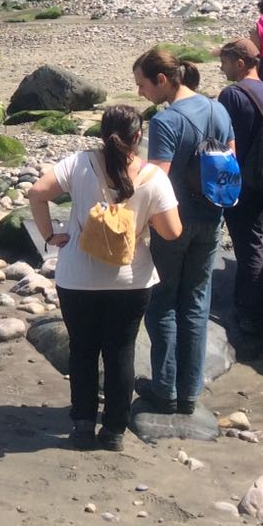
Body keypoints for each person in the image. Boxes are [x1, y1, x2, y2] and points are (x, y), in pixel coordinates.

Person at [28, 107, 181, 451]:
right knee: (120, 353)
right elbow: (172, 232)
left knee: (83, 349)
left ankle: (83, 424)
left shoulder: (78, 164)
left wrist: (50, 235)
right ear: (138, 136)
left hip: (77, 277)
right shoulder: (153, 176)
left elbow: (37, 192)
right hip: (131, 280)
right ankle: (113, 431)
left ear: (101, 133)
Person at [132, 48, 234, 416]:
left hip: (174, 221)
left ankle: (165, 389)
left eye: (143, 85)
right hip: (212, 218)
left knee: (162, 304)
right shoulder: (218, 109)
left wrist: (138, 223)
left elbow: (156, 178)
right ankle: (189, 393)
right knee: (195, 303)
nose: (141, 93)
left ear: (162, 80)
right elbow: (229, 163)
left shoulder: (166, 121)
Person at [215, 39, 263, 339]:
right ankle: (252, 305)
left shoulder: (232, 94)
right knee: (254, 242)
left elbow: (220, 141)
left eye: (226, 61)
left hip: (240, 181)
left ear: (240, 63)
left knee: (250, 247)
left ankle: (249, 312)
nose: (221, 66)